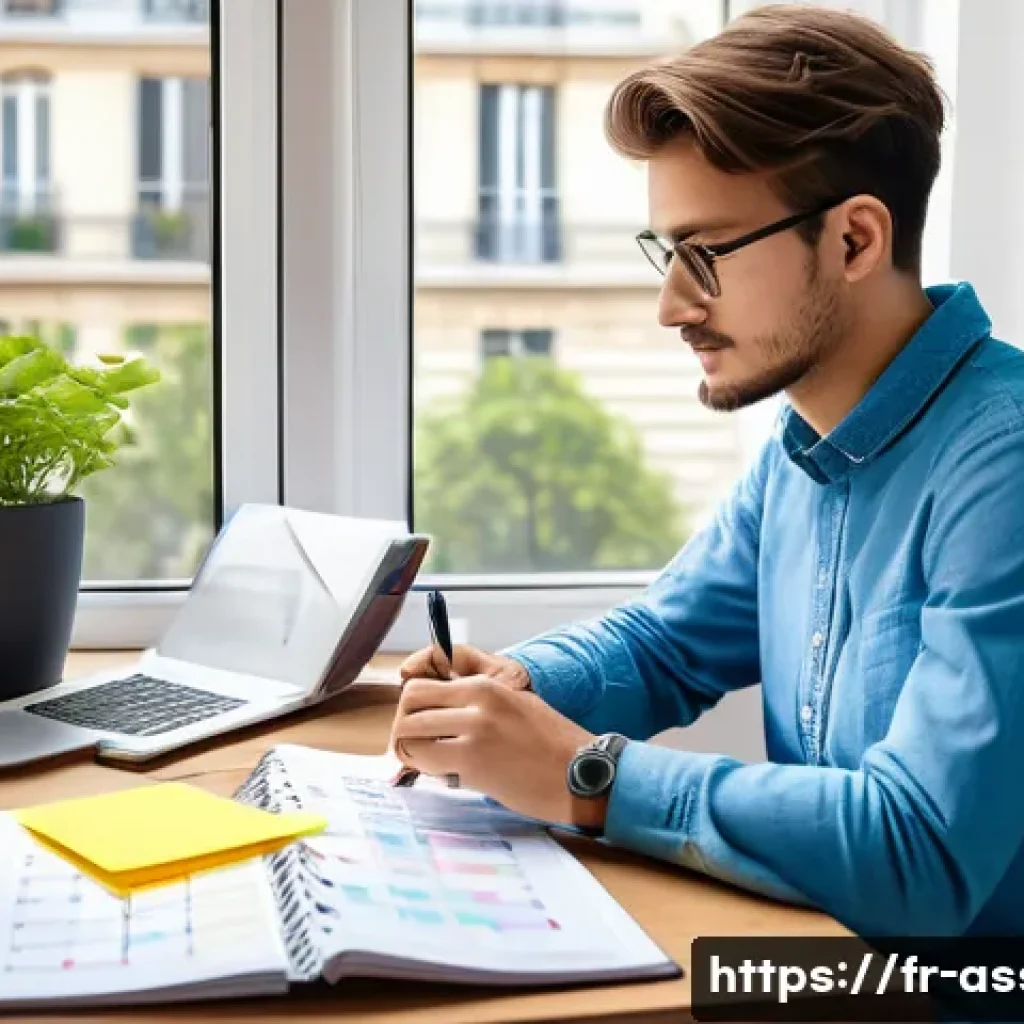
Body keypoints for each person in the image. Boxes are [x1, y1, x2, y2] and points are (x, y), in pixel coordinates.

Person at [389, 3, 1024, 939]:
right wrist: (516, 689)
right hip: (825, 975)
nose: (673, 305)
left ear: (855, 240)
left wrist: (588, 775)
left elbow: (917, 853)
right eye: (667, 253)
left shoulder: (1002, 465)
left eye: (708, 254)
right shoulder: (807, 446)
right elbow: (664, 644)